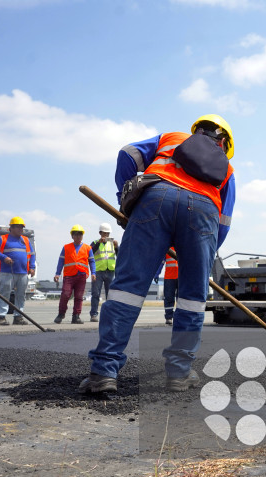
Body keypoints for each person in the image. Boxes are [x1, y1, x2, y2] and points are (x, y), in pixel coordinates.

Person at [79, 114, 236, 394]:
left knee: (126, 290)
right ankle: (179, 373)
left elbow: (127, 153)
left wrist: (126, 201)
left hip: (155, 198)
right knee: (192, 299)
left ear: (197, 130)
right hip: (203, 213)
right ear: (223, 142)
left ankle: (104, 371)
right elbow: (223, 222)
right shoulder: (227, 168)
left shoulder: (171, 138)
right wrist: (203, 254)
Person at [0, 217, 35, 325]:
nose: (20, 229)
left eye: (21, 227)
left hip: (23, 272)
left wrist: (32, 267)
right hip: (7, 272)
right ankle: (1, 317)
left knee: (21, 295)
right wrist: (4, 258)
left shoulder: (26, 240)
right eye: (18, 227)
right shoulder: (3, 239)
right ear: (11, 228)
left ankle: (18, 317)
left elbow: (32, 254)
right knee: (4, 294)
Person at [53, 225, 96, 325]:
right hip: (69, 275)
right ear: (72, 236)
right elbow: (61, 261)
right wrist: (57, 274)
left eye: (80, 234)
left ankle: (76, 316)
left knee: (79, 296)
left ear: (82, 236)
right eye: (75, 234)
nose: (78, 236)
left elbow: (92, 262)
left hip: (81, 276)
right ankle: (61, 314)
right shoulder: (66, 247)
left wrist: (93, 273)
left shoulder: (88, 248)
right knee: (65, 294)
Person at [89, 222, 119, 322]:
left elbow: (119, 255)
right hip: (98, 271)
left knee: (110, 294)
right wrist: (98, 243)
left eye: (108, 233)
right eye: (104, 233)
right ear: (100, 233)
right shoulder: (95, 242)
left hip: (110, 271)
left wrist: (117, 247)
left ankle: (110, 315)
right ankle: (94, 314)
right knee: (95, 293)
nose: (106, 235)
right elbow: (90, 252)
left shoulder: (113, 244)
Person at [161, 249, 178, 326]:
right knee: (168, 297)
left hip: (182, 277)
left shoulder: (183, 246)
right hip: (169, 277)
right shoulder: (168, 248)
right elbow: (161, 262)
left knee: (181, 299)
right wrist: (157, 273)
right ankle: (169, 317)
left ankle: (180, 317)